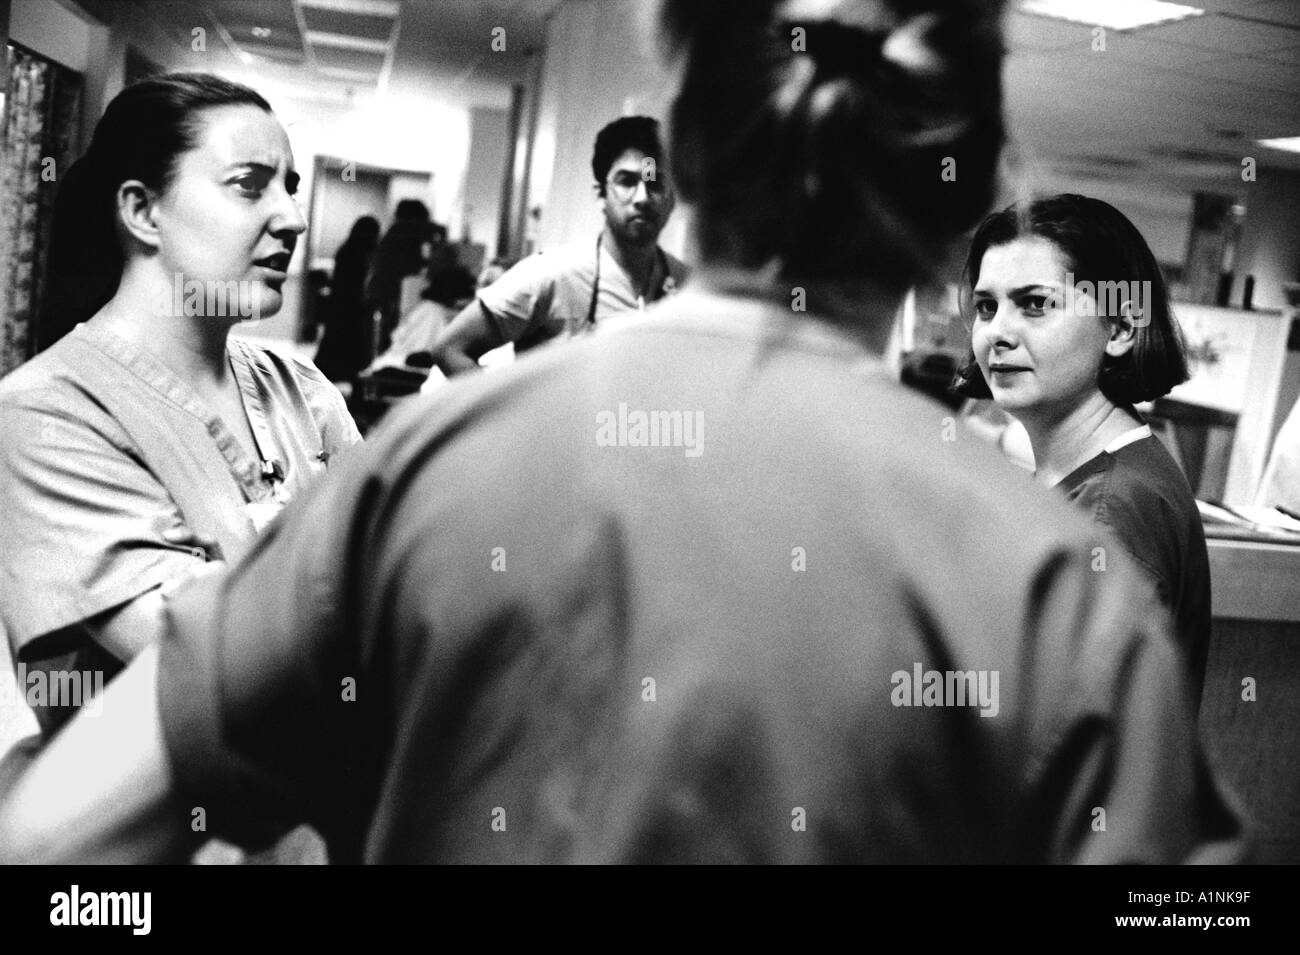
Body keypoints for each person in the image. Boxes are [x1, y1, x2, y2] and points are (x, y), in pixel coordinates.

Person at [0, 0, 1244, 864]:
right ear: (968, 189)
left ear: (684, 160)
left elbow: (55, 836)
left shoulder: (422, 472)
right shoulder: (1045, 578)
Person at [0, 72, 361, 743]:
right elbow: (213, 656)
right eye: (251, 185)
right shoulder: (45, 415)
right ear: (142, 211)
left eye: (290, 187)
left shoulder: (303, 391)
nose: (292, 218)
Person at [951, 194, 1210, 700]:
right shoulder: (1097, 477)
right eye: (987, 306)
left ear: (1119, 326)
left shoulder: (1112, 505)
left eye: (1035, 304)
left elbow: (1071, 739)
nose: (997, 333)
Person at [428, 116, 688, 375]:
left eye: (654, 183)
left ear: (672, 199)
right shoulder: (550, 275)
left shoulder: (689, 285)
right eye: (627, 182)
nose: (642, 198)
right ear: (601, 195)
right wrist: (511, 413)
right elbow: (449, 348)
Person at [313, 215, 380, 385]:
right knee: (349, 343)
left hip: (339, 305)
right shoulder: (363, 254)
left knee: (334, 342)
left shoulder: (346, 250)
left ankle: (328, 374)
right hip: (353, 307)